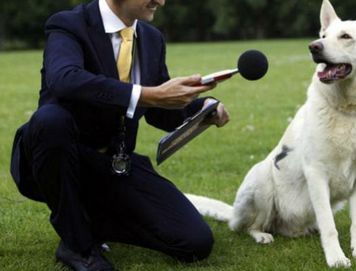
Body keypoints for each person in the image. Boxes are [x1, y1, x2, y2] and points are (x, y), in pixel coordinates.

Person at [10, 0, 230, 270]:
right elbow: (65, 79)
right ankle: (78, 246)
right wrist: (147, 94)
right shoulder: (68, 24)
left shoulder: (151, 38)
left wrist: (201, 107)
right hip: (57, 158)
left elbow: (159, 112)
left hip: (114, 165)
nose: (160, 1)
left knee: (194, 242)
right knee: (50, 120)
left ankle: (87, 221)